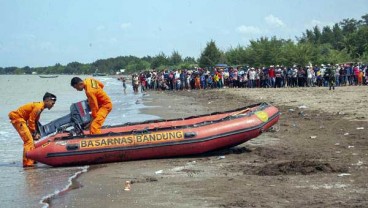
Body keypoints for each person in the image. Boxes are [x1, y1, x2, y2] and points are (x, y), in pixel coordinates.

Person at [8, 92, 57, 167]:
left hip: (21, 120)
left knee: (30, 140)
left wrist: (36, 133)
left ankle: (32, 160)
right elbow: (31, 120)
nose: (53, 105)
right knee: (28, 141)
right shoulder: (38, 107)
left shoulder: (40, 107)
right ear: (47, 101)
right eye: (52, 103)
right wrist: (34, 133)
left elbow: (35, 121)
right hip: (18, 119)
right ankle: (27, 163)